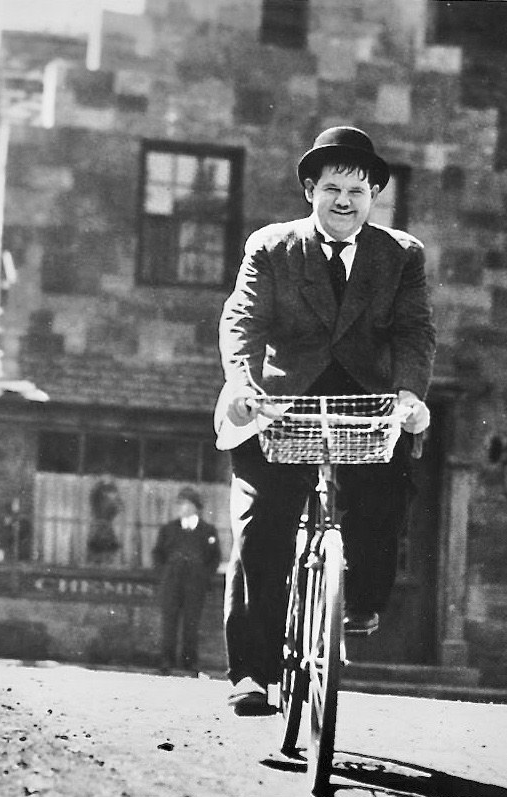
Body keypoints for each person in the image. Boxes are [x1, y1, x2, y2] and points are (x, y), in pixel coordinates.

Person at [214, 126, 436, 715]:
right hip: (282, 404)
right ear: (310, 189)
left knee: (387, 494)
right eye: (333, 187)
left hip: (366, 406)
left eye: (359, 191)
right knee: (262, 524)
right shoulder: (273, 246)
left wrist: (410, 396)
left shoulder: (401, 255)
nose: (345, 201)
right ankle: (252, 676)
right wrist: (241, 384)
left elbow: (415, 329)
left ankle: (357, 599)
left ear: (374, 197)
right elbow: (243, 318)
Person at [152, 486, 221, 676]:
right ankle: (166, 660)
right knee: (169, 622)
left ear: (196, 507)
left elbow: (214, 558)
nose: (182, 508)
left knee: (191, 623)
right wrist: (164, 574)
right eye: (180, 504)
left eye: (186, 504)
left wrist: (204, 577)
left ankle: (190, 662)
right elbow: (158, 554)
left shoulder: (208, 531)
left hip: (195, 584)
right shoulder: (169, 529)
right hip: (172, 582)